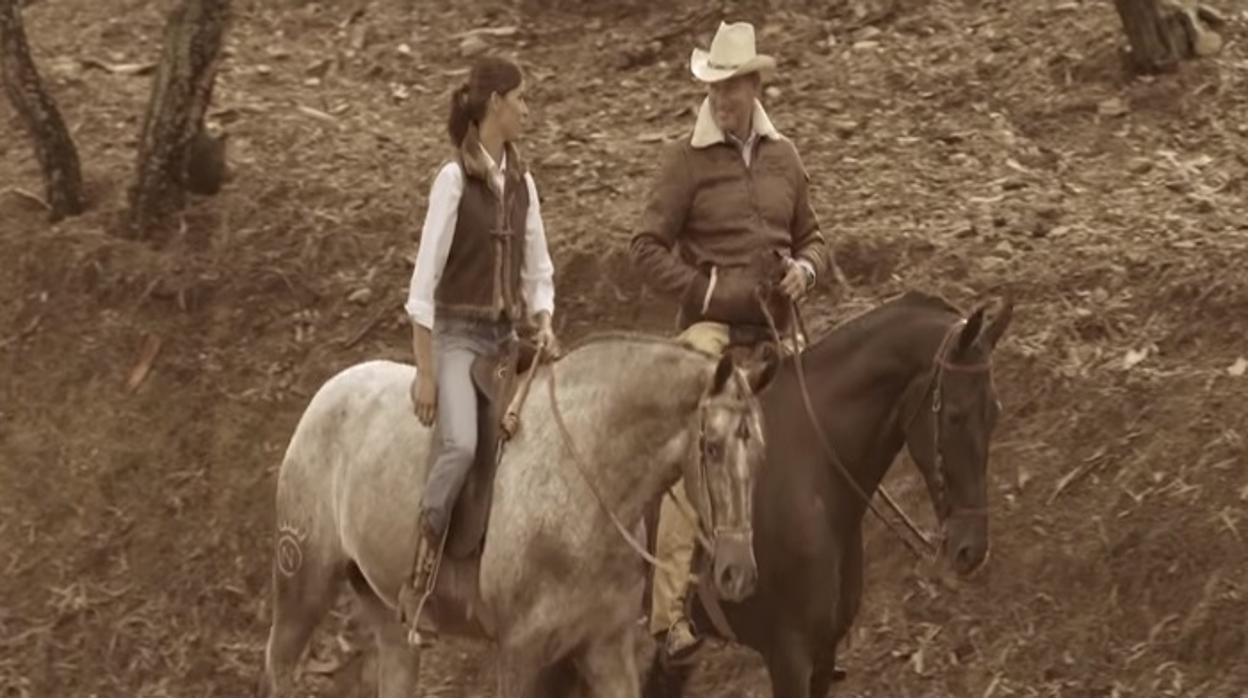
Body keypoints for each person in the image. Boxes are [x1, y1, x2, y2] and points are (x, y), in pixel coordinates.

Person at [630, 20, 830, 660]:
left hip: (775, 334)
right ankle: (668, 618)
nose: (721, 99)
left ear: (754, 85)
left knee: (812, 443)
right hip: (712, 332)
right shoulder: (686, 162)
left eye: (731, 88)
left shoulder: (785, 157)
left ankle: (806, 601)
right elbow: (645, 247)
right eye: (713, 88)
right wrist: (706, 293)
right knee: (697, 453)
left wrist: (806, 271)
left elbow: (815, 239)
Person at [398, 55, 559, 644]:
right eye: (521, 99)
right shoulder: (451, 181)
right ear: (495, 104)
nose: (527, 109)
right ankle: (419, 584)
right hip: (459, 340)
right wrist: (424, 372)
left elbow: (538, 267)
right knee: (463, 445)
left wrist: (542, 316)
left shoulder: (524, 183)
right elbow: (422, 286)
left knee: (535, 448)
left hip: (506, 342)